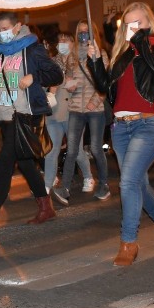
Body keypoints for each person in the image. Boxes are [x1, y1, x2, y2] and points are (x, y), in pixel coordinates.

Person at [87, 1, 154, 266]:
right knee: (138, 182)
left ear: (149, 23)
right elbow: (105, 86)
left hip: (149, 123)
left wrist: (142, 42)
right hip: (121, 126)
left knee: (127, 182)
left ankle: (128, 242)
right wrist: (94, 62)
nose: (132, 28)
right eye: (128, 24)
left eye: (138, 23)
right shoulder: (122, 54)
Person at [0, 11, 63, 236]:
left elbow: (56, 74)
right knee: (26, 163)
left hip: (25, 115)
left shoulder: (32, 48)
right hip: (6, 118)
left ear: (17, 27)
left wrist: (34, 78)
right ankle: (46, 207)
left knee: (4, 163)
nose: (2, 34)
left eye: (5, 29)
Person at [51, 20, 111, 205]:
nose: (83, 35)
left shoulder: (101, 54)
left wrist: (95, 101)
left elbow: (104, 83)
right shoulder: (73, 56)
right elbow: (69, 78)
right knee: (71, 149)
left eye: (86, 32)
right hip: (76, 108)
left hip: (95, 110)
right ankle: (65, 187)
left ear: (93, 33)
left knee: (95, 148)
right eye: (80, 32)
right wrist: (69, 84)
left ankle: (104, 184)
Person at [43, 31, 95, 196]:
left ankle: (88, 177)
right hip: (54, 113)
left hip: (74, 113)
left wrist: (64, 81)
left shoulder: (79, 62)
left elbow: (83, 86)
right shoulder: (51, 63)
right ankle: (48, 183)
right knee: (51, 150)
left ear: (73, 43)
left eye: (66, 40)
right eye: (60, 40)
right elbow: (45, 83)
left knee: (77, 150)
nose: (62, 43)